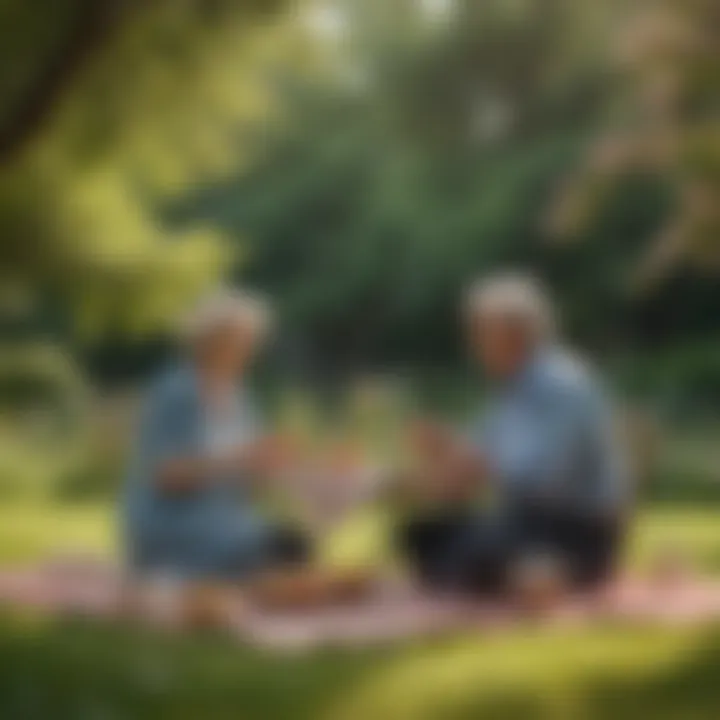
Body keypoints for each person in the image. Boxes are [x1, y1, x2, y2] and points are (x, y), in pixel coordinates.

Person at [398, 273, 628, 595]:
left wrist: (472, 462)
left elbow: (545, 478)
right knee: (421, 535)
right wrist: (439, 456)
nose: (474, 346)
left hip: (574, 527)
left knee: (475, 552)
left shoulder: (563, 385)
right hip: (525, 523)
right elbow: (473, 462)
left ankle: (550, 571)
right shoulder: (510, 391)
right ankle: (524, 573)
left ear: (514, 333)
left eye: (480, 333)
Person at [123, 290, 310, 581]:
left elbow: (247, 482)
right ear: (205, 341)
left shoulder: (240, 396)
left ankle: (244, 580)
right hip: (174, 525)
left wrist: (268, 466)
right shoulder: (177, 391)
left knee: (296, 542)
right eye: (236, 339)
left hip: (227, 520)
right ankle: (185, 576)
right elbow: (167, 475)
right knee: (283, 552)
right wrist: (241, 459)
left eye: (250, 340)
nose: (246, 348)